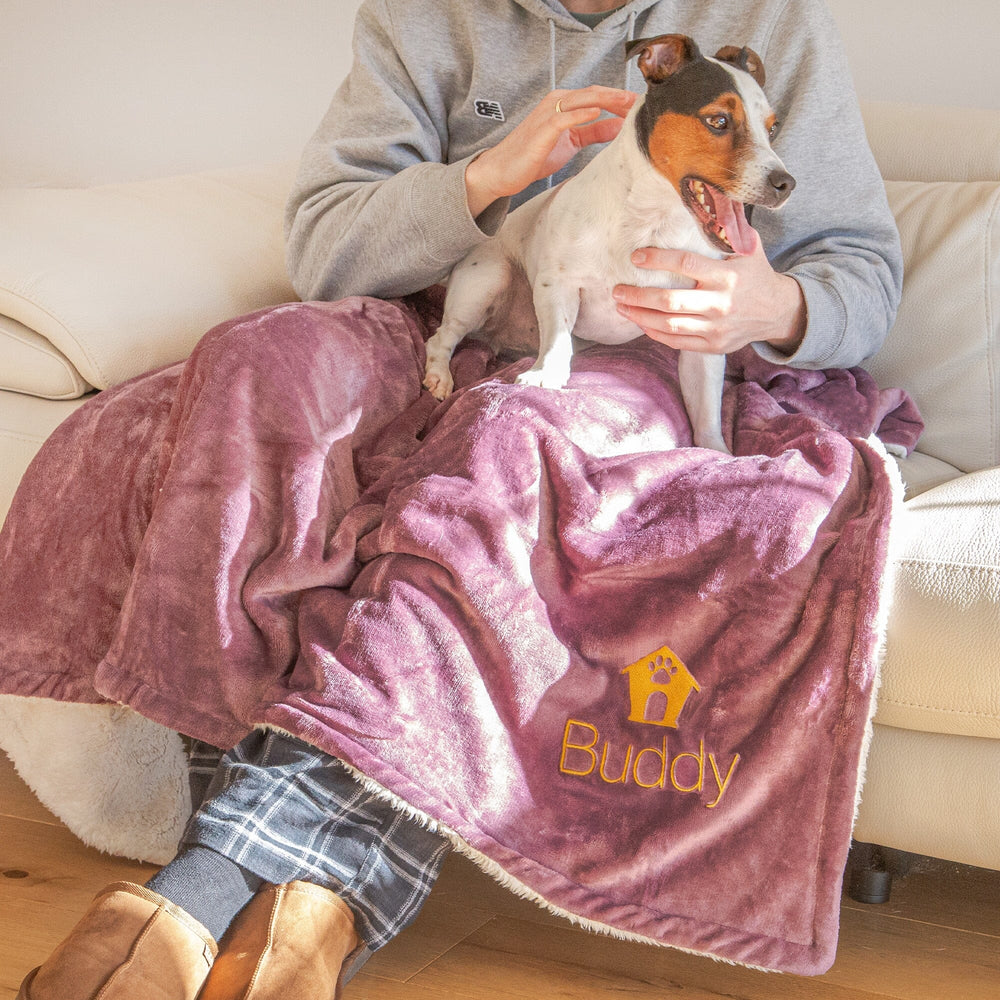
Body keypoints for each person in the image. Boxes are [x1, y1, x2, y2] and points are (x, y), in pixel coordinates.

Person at [3, 1, 902, 998]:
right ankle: (260, 857)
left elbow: (863, 267)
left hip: (643, 352)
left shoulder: (765, 21)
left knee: (506, 444)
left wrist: (774, 304)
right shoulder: (421, 16)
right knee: (256, 357)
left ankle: (209, 889)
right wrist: (484, 178)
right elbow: (325, 246)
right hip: (445, 309)